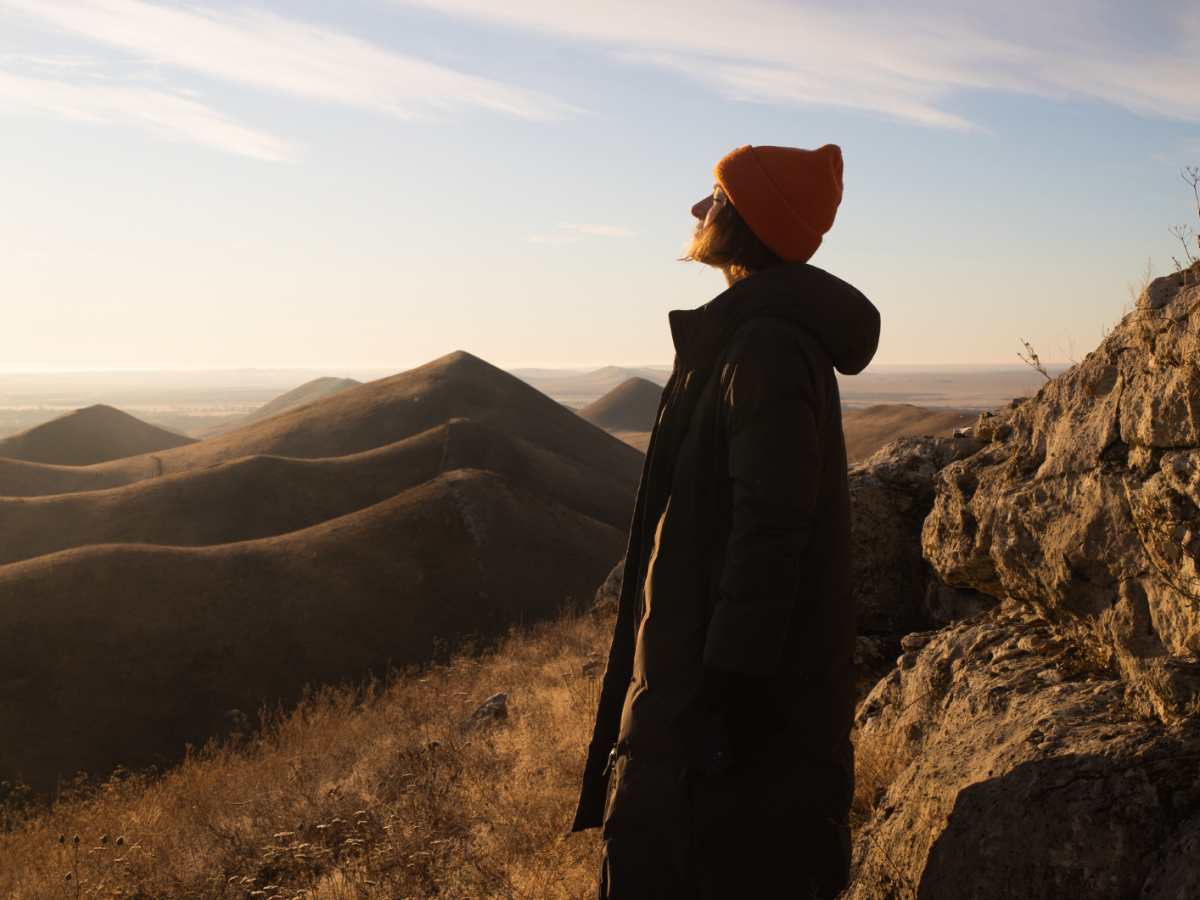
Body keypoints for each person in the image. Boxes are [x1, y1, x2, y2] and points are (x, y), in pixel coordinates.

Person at [571, 144, 881, 899]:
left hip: (718, 708)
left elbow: (770, 529)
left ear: (749, 220)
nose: (697, 209)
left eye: (715, 196)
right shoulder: (752, 336)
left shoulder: (764, 345)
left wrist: (732, 693)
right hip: (702, 687)